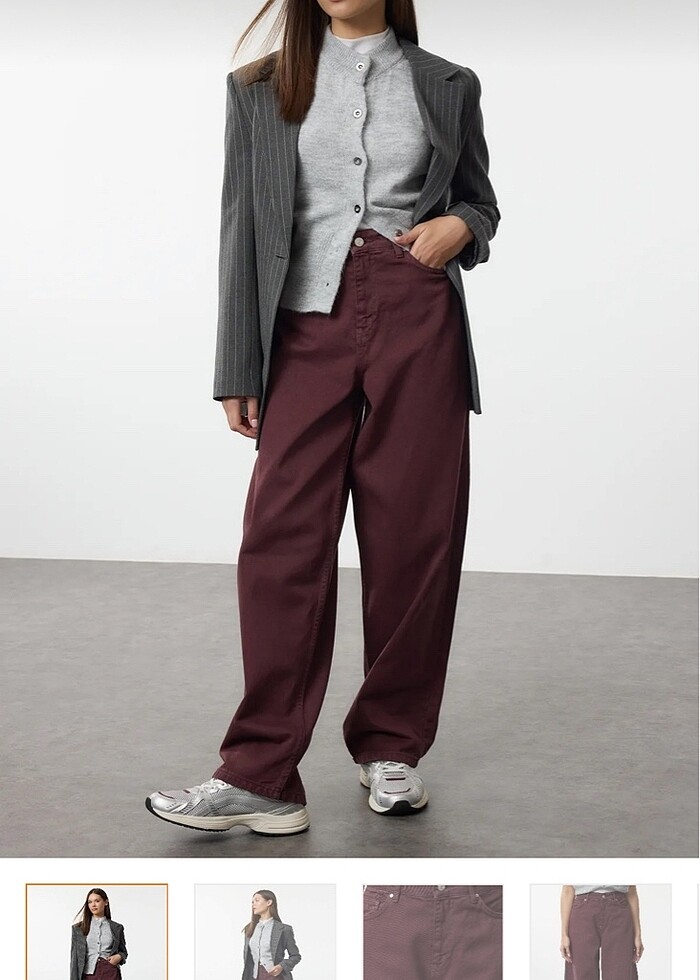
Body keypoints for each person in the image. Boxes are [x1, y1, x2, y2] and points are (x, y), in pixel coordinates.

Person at [146, 0, 499, 835]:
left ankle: (393, 748)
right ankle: (261, 773)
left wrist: (457, 227)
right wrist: (238, 362)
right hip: (302, 324)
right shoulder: (258, 87)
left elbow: (481, 205)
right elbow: (241, 222)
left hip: (416, 313)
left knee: (414, 534)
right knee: (281, 539)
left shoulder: (449, 83)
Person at [560, 886, 644, 980]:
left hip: (618, 910)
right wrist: (564, 935)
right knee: (581, 972)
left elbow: (631, 891)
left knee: (621, 972)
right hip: (583, 911)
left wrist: (637, 934)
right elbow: (567, 890)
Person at [70, 888, 128, 980]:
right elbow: (74, 959)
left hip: (110, 972)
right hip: (88, 974)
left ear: (106, 902)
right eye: (90, 902)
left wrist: (119, 956)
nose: (93, 905)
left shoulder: (117, 928)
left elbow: (123, 951)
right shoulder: (78, 928)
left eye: (97, 901)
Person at [242, 891, 301, 980]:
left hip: (275, 977)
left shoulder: (284, 929)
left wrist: (281, 966)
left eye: (257, 900)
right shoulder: (250, 928)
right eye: (252, 902)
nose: (253, 904)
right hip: (253, 976)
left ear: (269, 902)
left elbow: (295, 956)